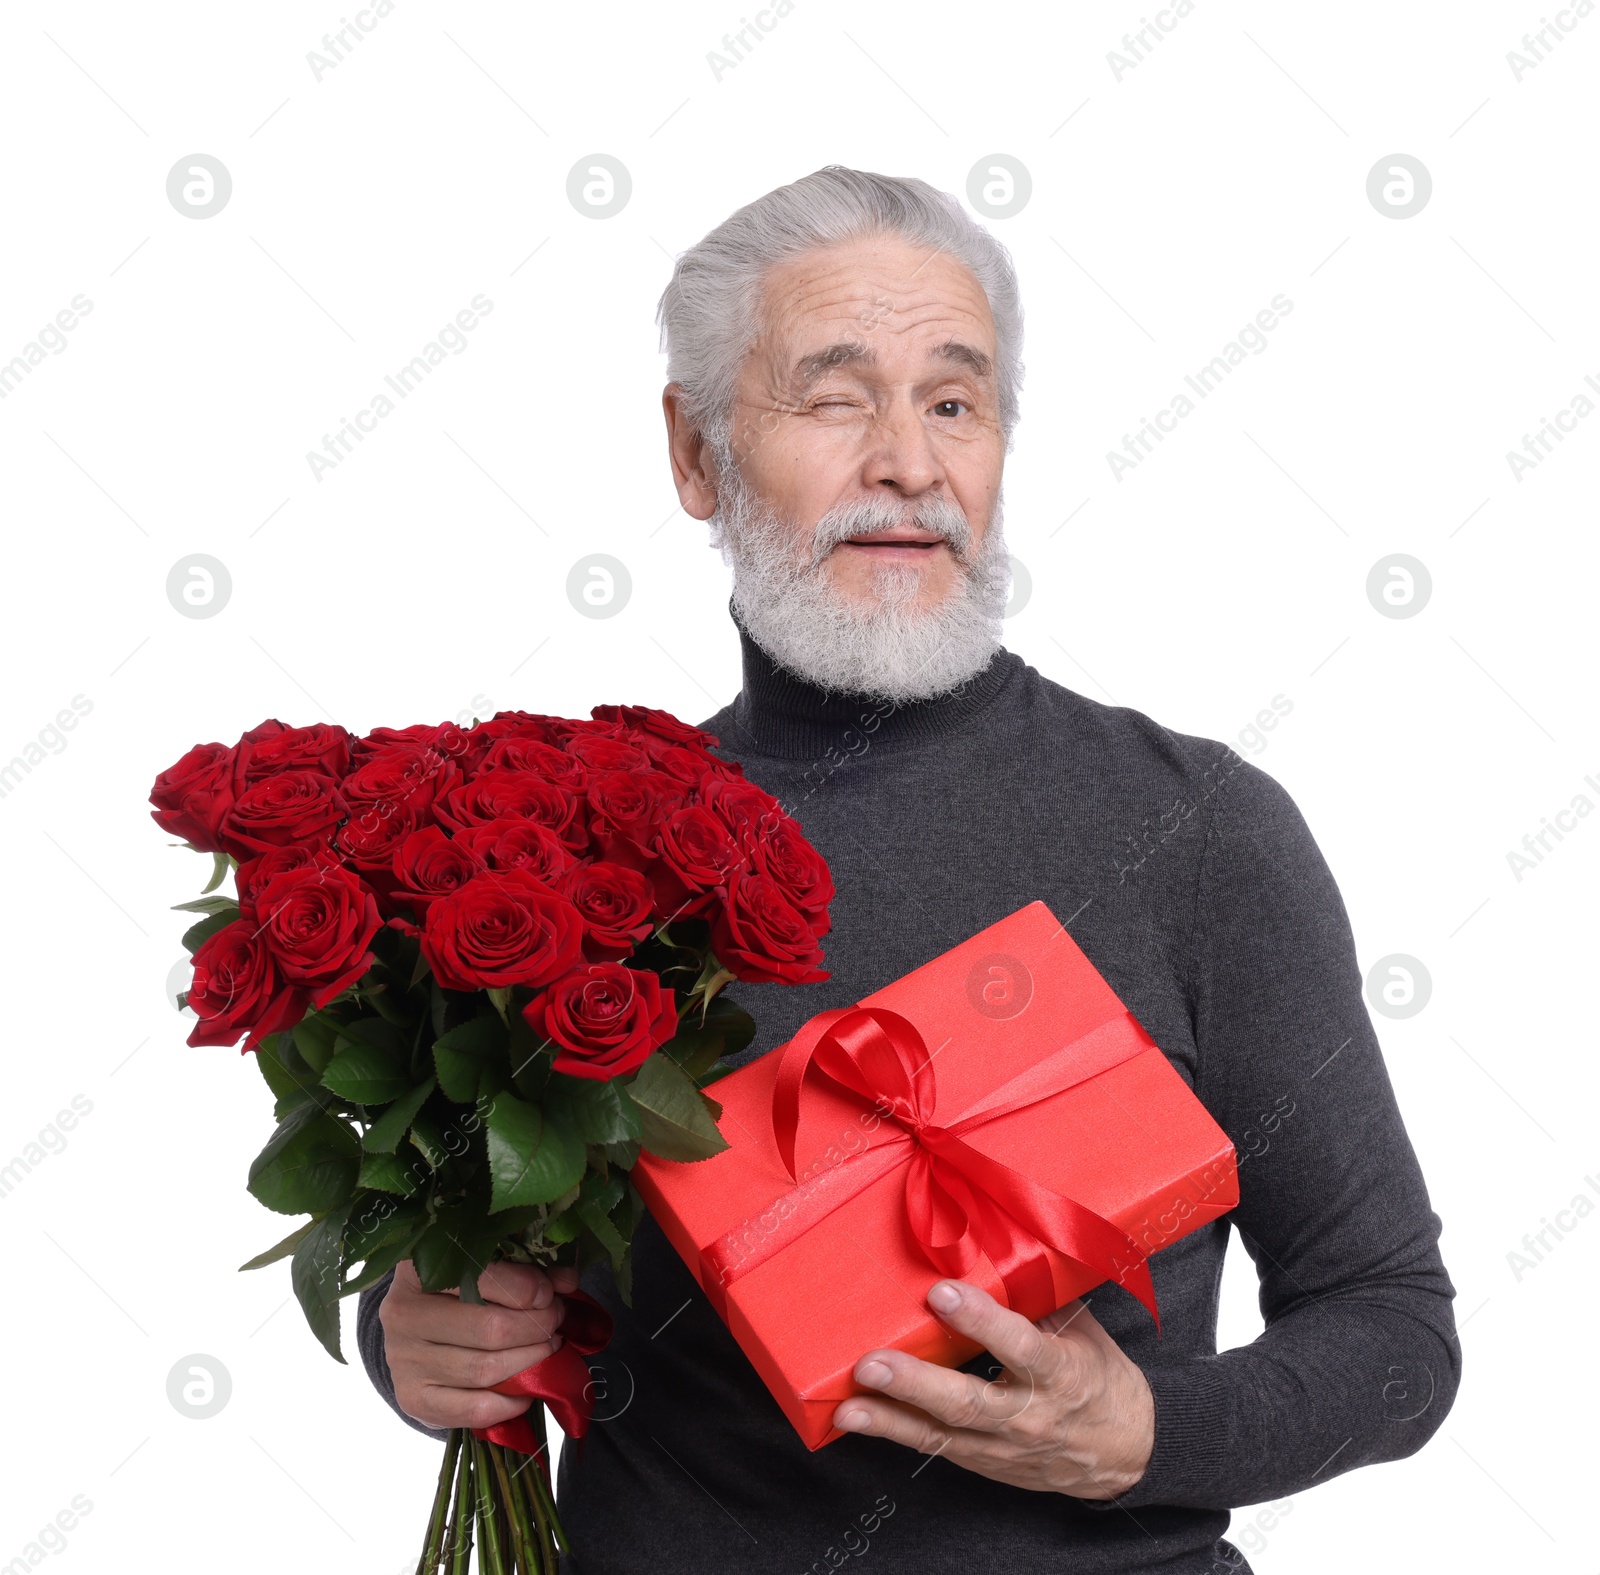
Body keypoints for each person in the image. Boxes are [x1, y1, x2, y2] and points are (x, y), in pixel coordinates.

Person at [359, 166, 1458, 1573]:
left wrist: (1149, 1435)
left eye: (954, 401)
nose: (909, 464)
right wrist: (419, 1339)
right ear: (693, 454)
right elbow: (445, 1244)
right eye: (833, 397)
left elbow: (1394, 1332)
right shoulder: (568, 863)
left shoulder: (1201, 831)